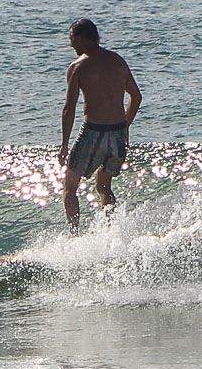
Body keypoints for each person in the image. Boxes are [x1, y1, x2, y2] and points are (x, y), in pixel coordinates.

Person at [58, 18, 142, 233]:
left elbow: (69, 109)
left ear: (80, 38)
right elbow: (136, 97)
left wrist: (64, 145)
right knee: (104, 186)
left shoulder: (77, 67)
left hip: (93, 132)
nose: (71, 44)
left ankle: (74, 236)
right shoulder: (117, 61)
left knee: (69, 186)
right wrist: (125, 126)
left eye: (71, 39)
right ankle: (111, 233)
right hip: (117, 133)